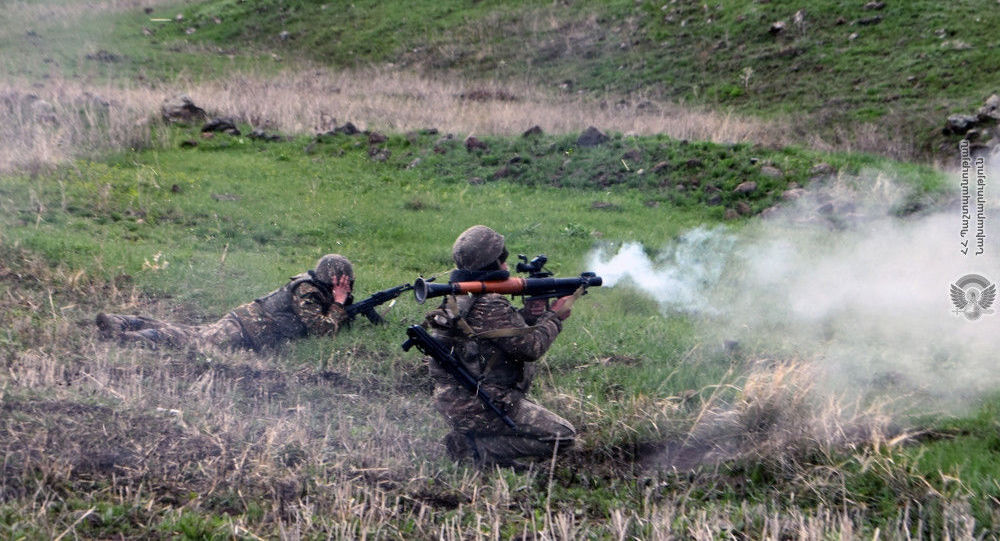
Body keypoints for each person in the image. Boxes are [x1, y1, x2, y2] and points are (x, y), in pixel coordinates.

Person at [422, 225, 577, 468]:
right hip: (480, 404)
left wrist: (530, 315)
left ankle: (472, 438)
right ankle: (474, 450)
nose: (506, 265)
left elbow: (498, 334)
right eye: (502, 258)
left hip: (457, 401)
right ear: (493, 263)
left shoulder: (463, 298)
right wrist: (555, 317)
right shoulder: (489, 302)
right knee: (562, 435)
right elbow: (531, 348)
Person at [96, 254, 354, 352]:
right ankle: (128, 338)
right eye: (345, 283)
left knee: (190, 331)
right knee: (191, 340)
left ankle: (124, 322)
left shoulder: (312, 287)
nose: (348, 287)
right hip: (244, 329)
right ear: (335, 280)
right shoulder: (307, 291)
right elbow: (323, 330)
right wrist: (339, 304)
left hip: (244, 324)